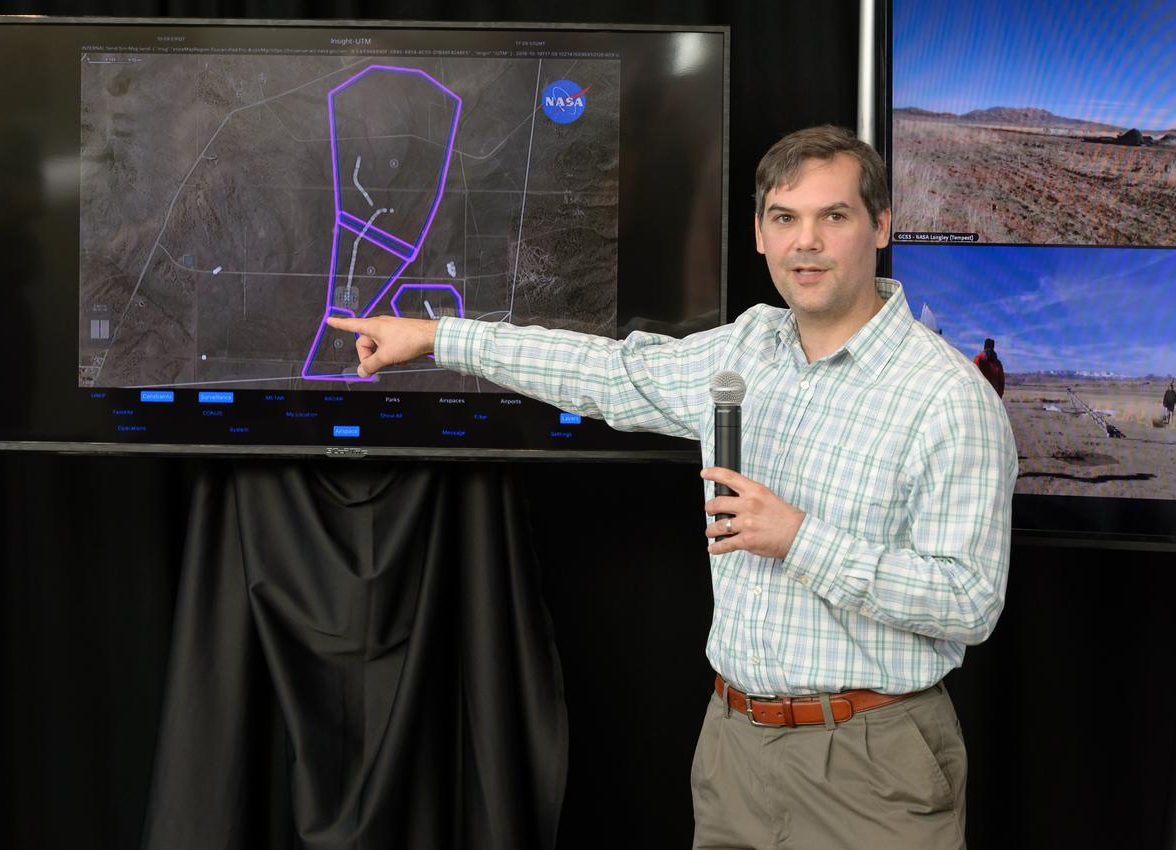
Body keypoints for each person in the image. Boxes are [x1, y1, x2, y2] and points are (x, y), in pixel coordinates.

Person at [327, 125, 1017, 849]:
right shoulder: (749, 346)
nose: (806, 242)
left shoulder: (947, 398)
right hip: (733, 750)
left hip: (871, 762)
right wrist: (436, 338)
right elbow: (605, 372)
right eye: (785, 218)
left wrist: (800, 540)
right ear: (759, 234)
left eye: (833, 216)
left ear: (880, 226)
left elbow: (969, 601)